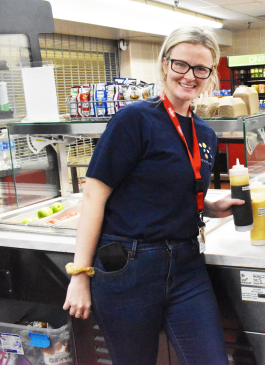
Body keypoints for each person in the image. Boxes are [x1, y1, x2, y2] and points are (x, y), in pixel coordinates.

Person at [63, 26, 240, 365]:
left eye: (200, 69)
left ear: (210, 75)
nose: (189, 76)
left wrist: (210, 206)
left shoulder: (204, 132)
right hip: (130, 267)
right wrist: (80, 275)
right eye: (181, 65)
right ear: (164, 65)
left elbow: (173, 190)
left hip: (188, 265)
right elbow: (93, 197)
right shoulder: (134, 119)